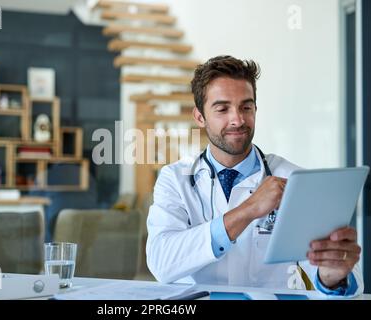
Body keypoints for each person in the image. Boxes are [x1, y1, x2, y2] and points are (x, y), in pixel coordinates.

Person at [146, 55, 363, 296]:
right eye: (222, 108)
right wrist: (249, 209)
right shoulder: (175, 179)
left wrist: (332, 276)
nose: (237, 119)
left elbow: (335, 275)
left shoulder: (293, 179)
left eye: (246, 107)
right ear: (200, 117)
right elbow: (161, 262)